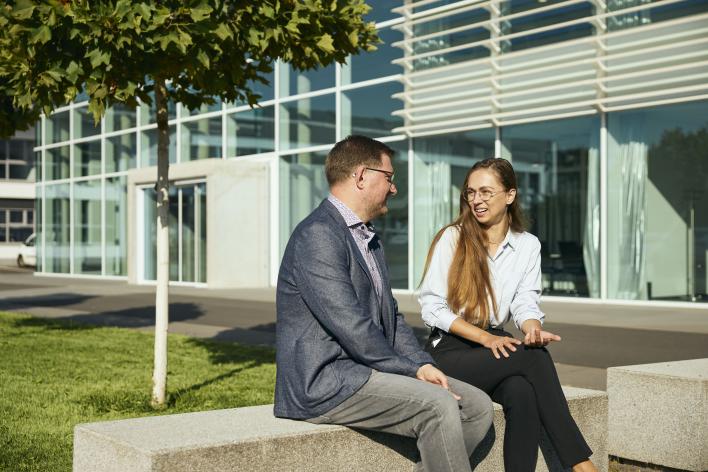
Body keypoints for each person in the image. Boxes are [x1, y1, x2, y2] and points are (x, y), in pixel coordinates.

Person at [275, 135, 494, 472]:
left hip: (365, 370)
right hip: (325, 381)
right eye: (389, 178)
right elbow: (351, 325)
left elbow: (390, 318)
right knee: (437, 406)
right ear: (361, 176)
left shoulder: (367, 237)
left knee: (477, 405)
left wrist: (422, 363)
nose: (394, 188)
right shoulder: (318, 235)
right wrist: (412, 370)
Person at [418, 157, 597, 472]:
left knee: (522, 391)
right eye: (471, 192)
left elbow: (525, 300)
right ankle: (582, 465)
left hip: (490, 345)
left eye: (486, 192)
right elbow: (432, 307)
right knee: (533, 357)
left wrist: (531, 328)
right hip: (450, 347)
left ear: (510, 196)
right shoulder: (453, 237)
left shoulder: (527, 245)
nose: (477, 200)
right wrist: (485, 338)